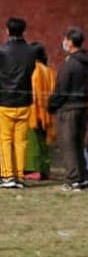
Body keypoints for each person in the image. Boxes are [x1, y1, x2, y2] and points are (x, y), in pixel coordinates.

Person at [48, 27, 88, 190]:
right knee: (78, 144)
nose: (64, 42)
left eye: (66, 39)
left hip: (68, 108)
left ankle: (73, 178)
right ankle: (80, 176)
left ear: (71, 42)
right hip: (82, 106)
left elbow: (62, 88)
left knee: (68, 145)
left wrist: (52, 105)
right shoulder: (86, 62)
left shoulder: (71, 64)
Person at [0, 17, 37, 188]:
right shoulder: (31, 52)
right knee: (21, 141)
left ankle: (8, 175)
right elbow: (31, 71)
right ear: (24, 31)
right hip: (24, 100)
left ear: (7, 31)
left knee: (5, 140)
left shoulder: (3, 51)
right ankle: (20, 176)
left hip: (5, 101)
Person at [24, 42, 55, 181]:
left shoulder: (33, 70)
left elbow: (34, 94)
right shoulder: (49, 71)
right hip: (47, 112)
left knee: (33, 143)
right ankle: (44, 169)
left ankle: (33, 169)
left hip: (33, 112)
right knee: (44, 143)